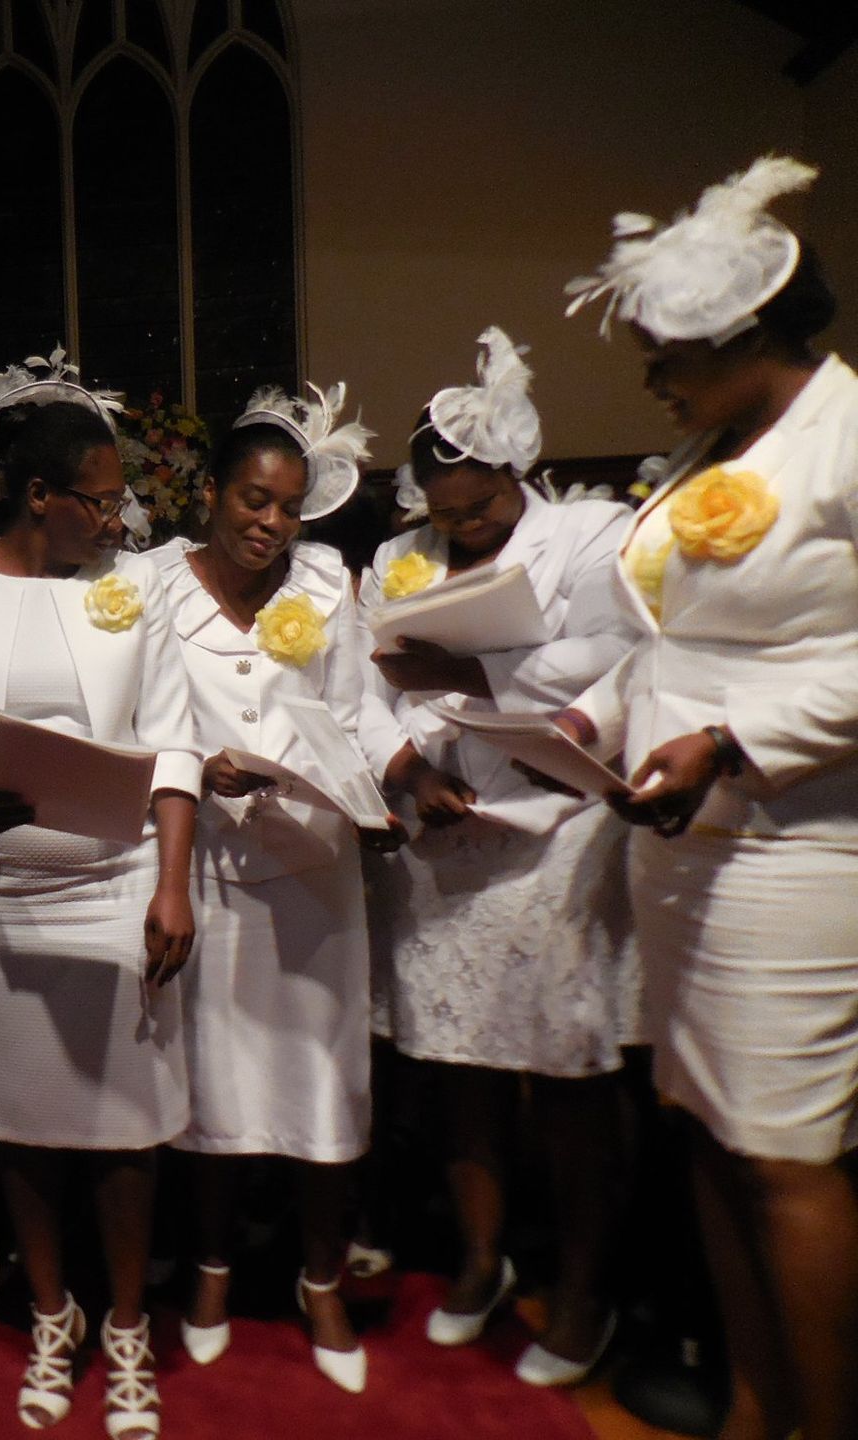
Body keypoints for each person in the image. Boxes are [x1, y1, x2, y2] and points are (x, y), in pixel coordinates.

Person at [558, 156, 858, 1440]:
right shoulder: (707, 444)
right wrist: (597, 715)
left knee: (785, 1153)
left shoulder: (848, 437)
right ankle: (752, 1405)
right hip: (677, 842)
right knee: (708, 1135)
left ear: (742, 336)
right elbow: (669, 638)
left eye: (664, 350)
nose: (648, 377)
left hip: (792, 852)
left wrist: (734, 742)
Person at [0, 349, 199, 1440]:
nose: (119, 522)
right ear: (39, 496)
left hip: (114, 881)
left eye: (123, 502)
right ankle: (52, 1315)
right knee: (23, 1122)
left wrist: (173, 884)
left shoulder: (136, 585)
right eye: (102, 501)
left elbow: (171, 740)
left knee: (123, 1124)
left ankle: (125, 1330)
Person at [360, 328, 643, 1385]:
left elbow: (612, 660)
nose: (463, 528)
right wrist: (404, 770)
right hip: (446, 835)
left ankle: (584, 1285)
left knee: (564, 1073)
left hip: (562, 829)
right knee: (457, 1067)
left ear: (518, 474)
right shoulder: (400, 558)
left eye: (479, 509)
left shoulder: (590, 535)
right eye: (445, 514)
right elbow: (365, 682)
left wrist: (472, 665)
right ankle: (481, 1259)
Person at [143, 382, 394, 1395]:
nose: (273, 524)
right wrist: (200, 763)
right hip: (201, 862)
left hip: (313, 866)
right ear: (210, 493)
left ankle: (320, 1277)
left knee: (321, 1077)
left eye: (289, 507)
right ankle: (209, 1272)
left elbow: (360, 713)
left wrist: (392, 781)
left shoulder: (330, 583)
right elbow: (136, 717)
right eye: (254, 500)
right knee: (211, 1076)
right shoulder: (150, 585)